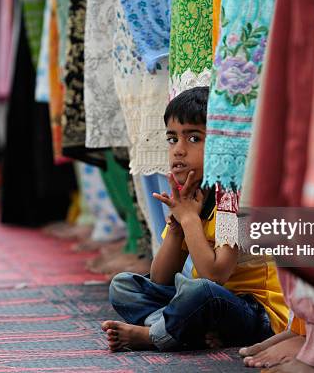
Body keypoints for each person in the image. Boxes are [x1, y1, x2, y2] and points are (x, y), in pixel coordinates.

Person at [101, 86, 300, 351]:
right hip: (213, 305)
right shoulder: (191, 198)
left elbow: (216, 275)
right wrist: (177, 226)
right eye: (172, 139)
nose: (178, 150)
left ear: (220, 145)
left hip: (257, 313)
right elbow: (160, 279)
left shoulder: (232, 200)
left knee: (200, 292)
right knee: (124, 286)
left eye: (193, 139)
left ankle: (154, 335)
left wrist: (190, 221)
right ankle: (185, 330)